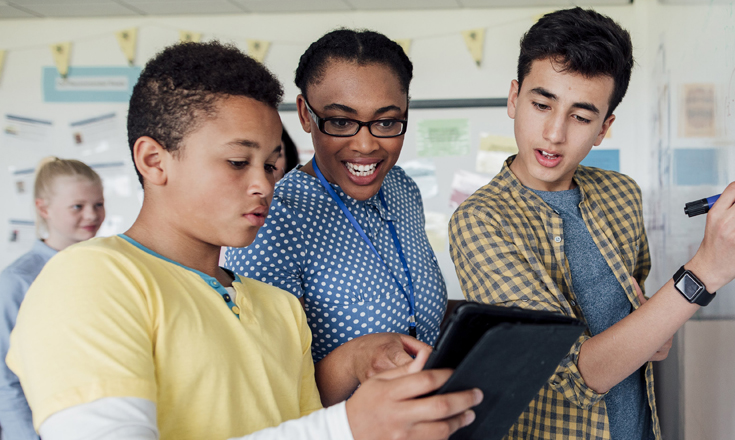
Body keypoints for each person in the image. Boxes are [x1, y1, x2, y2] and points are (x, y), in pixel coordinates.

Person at [7, 41, 479, 440]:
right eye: (238, 162)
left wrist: (359, 361)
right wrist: (348, 425)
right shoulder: (91, 280)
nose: (264, 185)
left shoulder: (277, 307)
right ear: (154, 161)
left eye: (273, 164)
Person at [447, 8, 735, 439]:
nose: (554, 133)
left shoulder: (621, 193)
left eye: (581, 115)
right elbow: (575, 376)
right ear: (514, 98)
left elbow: (640, 316)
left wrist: (653, 329)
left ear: (604, 128)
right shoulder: (481, 221)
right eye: (541, 104)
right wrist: (706, 270)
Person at [226, 29, 449, 406]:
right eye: (341, 122)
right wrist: (355, 360)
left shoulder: (402, 189)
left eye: (386, 122)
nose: (365, 145)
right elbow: (270, 389)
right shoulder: (272, 217)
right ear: (304, 114)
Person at [0, 157, 105, 440]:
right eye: (77, 206)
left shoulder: (108, 267)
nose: (92, 216)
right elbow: (5, 379)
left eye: (98, 204)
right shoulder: (17, 280)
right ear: (43, 208)